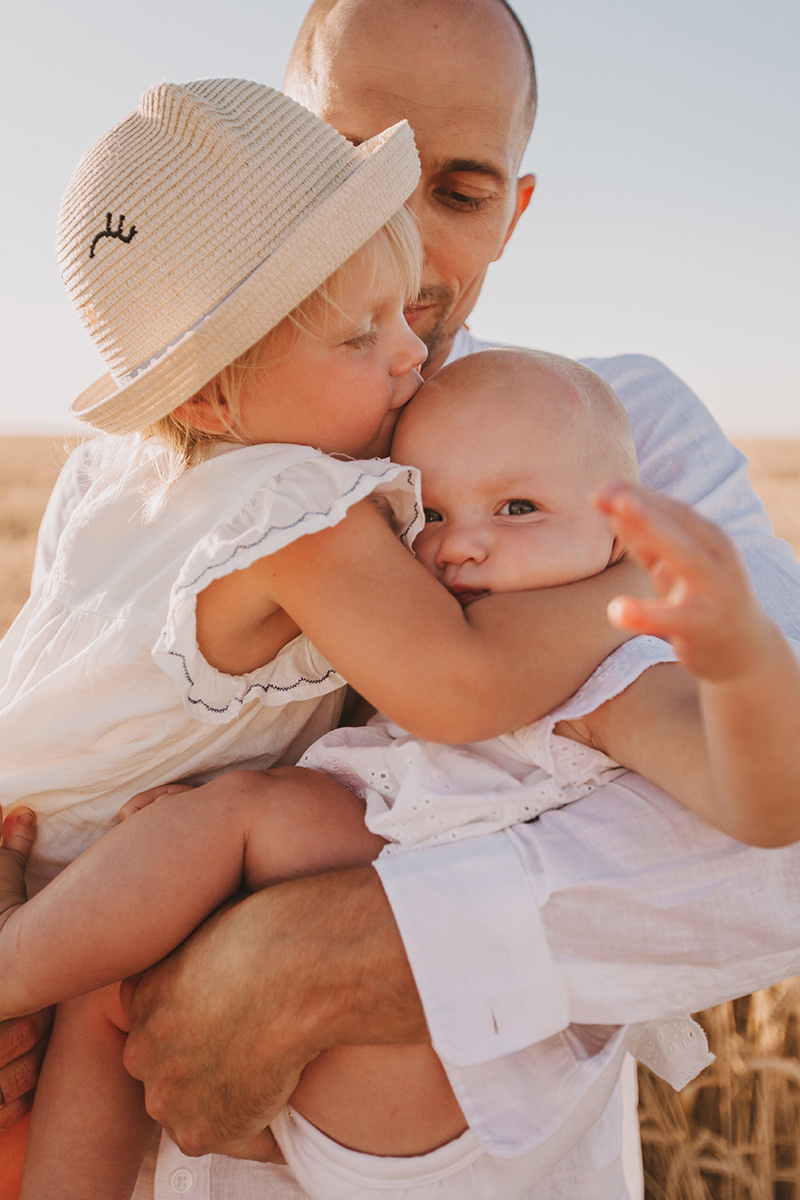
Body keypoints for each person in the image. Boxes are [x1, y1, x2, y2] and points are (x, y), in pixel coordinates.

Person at [7, 1, 800, 1197]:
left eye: (460, 191)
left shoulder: (601, 435)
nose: (410, 252)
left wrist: (348, 947)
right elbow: (59, 712)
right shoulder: (151, 484)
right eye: (346, 177)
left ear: (514, 213)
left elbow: (769, 826)